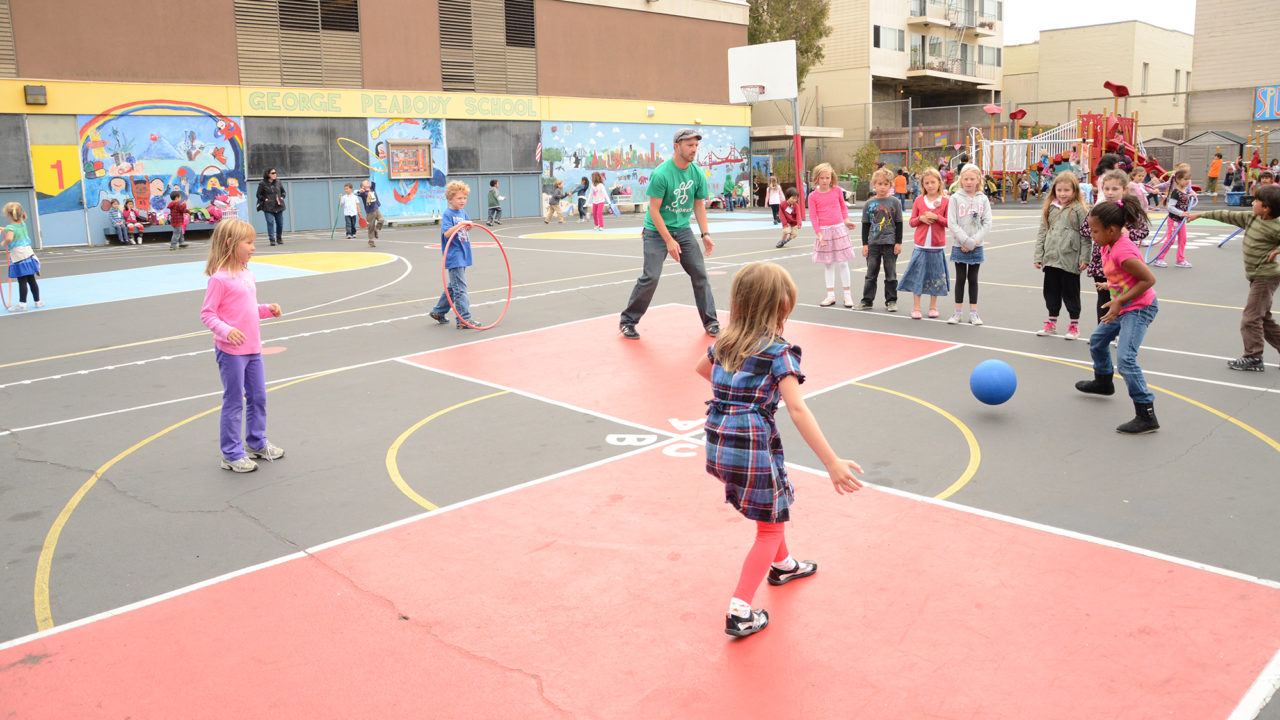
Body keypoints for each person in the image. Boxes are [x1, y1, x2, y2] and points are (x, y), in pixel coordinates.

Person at [696, 261, 863, 638]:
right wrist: (831, 462)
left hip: (719, 439)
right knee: (769, 528)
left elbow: (701, 370)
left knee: (774, 506)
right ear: (781, 306)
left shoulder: (725, 341)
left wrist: (733, 394)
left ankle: (784, 565)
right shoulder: (779, 352)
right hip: (752, 444)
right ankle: (739, 611)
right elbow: (799, 411)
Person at [199, 219, 285, 472]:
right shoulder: (219, 279)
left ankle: (256, 442)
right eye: (248, 243)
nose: (253, 247)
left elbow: (246, 310)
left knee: (258, 397)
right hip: (231, 352)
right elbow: (208, 314)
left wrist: (267, 310)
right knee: (234, 400)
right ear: (230, 244)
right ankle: (231, 454)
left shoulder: (248, 274)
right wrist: (226, 331)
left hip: (253, 349)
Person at [619, 128, 718, 339]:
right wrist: (669, 240)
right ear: (677, 146)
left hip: (682, 230)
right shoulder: (662, 174)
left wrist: (705, 234)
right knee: (651, 277)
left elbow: (698, 205)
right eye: (690, 145)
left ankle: (711, 322)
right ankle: (628, 321)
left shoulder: (697, 173)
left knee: (700, 274)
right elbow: (653, 211)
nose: (694, 150)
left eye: (696, 146)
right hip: (656, 232)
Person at [1074, 199, 1160, 434]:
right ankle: (1103, 382)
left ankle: (1146, 413)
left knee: (1125, 359)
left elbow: (1149, 280)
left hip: (1140, 307)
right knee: (1098, 341)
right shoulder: (1107, 244)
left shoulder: (1124, 250)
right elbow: (1122, 275)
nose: (1092, 235)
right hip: (1122, 305)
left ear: (1112, 230)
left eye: (1095, 231)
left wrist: (1120, 299)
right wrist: (1109, 285)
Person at [1186, 185, 1280, 371]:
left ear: (1266, 208)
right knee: (1264, 318)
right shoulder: (1251, 218)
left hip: (1265, 277)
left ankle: (1253, 357)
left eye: (1256, 201)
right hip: (1256, 276)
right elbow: (1226, 215)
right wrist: (1201, 215)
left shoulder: (1275, 227)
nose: (1252, 203)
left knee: (1251, 318)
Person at [1084, 169, 1150, 322]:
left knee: (1122, 296)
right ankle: (1103, 329)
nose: (1110, 192)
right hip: (1101, 261)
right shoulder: (1099, 209)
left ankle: (1120, 328)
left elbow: (1143, 231)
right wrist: (1098, 231)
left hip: (1121, 261)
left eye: (1115, 189)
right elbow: (1084, 228)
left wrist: (1126, 234)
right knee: (1103, 298)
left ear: (1125, 189)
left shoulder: (1128, 209)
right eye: (1106, 188)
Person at [1034, 172, 1090, 340]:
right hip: (1051, 259)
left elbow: (1086, 236)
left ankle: (1074, 325)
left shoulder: (1079, 209)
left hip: (1070, 259)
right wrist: (1039, 255)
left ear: (1074, 191)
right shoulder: (1050, 207)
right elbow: (1043, 231)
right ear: (1054, 190)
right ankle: (1051, 322)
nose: (1063, 193)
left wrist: (1084, 257)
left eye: (1067, 190)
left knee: (1071, 293)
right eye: (1059, 190)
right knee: (1051, 292)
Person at [805, 163, 857, 309]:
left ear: (831, 177)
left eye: (827, 177)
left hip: (839, 229)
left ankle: (847, 295)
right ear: (816, 179)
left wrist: (846, 221)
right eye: (822, 178)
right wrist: (819, 234)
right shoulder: (812, 196)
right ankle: (830, 296)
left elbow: (842, 207)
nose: (825, 180)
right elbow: (813, 217)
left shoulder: (837, 191)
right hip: (825, 231)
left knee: (843, 263)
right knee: (828, 264)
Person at [900, 168, 950, 320]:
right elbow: (911, 222)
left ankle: (933, 306)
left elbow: (949, 223)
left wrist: (936, 217)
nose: (930, 185)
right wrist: (921, 218)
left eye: (933, 182)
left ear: (939, 183)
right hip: (921, 246)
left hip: (937, 247)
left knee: (935, 276)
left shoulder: (946, 201)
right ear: (922, 184)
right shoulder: (919, 201)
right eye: (926, 183)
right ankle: (916, 307)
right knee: (918, 276)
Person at [947, 164, 992, 325]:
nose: (968, 182)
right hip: (960, 245)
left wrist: (974, 242)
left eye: (972, 179)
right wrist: (965, 241)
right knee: (960, 278)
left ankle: (974, 313)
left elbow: (987, 223)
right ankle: (957, 312)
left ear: (978, 180)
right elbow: (952, 223)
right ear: (961, 180)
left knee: (973, 278)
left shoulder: (983, 198)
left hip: (976, 246)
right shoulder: (955, 198)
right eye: (965, 179)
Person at [429, 181, 478, 330]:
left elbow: (464, 230)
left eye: (464, 198)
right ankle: (464, 319)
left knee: (453, 286)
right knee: (460, 288)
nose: (462, 201)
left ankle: (438, 311)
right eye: (459, 198)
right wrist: (460, 225)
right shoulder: (448, 214)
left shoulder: (463, 212)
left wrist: (467, 227)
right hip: (454, 255)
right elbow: (447, 233)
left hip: (463, 253)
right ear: (450, 199)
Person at [859, 167, 904, 311]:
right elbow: (865, 225)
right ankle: (867, 301)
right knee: (870, 274)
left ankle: (891, 300)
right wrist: (865, 244)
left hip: (890, 243)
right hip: (873, 244)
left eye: (885, 184)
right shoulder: (869, 204)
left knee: (891, 274)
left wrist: (898, 242)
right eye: (879, 184)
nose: (882, 187)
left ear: (890, 185)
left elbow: (899, 224)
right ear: (874, 185)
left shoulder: (895, 202)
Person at [2, 202, 41, 311]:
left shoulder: (11, 228)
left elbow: (9, 238)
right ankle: (37, 301)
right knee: (31, 279)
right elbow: (14, 228)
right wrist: (4, 229)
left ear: (8, 215)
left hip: (19, 256)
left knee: (22, 280)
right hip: (28, 253)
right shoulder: (22, 223)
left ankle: (22, 304)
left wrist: (3, 243)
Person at [1153, 168, 1196, 268]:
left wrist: (1191, 195)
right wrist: (1181, 213)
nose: (1188, 181)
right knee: (1170, 239)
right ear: (1178, 180)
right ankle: (1159, 258)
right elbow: (1170, 207)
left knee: (1183, 239)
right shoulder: (1176, 192)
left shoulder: (1184, 190)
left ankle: (1180, 260)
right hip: (1174, 220)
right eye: (1185, 179)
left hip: (1181, 221)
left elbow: (1184, 201)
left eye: (1189, 179)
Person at [256, 168, 286, 246]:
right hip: (268, 207)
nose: (275, 174)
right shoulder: (262, 183)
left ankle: (279, 238)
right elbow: (258, 195)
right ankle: (272, 239)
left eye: (275, 173)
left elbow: (283, 192)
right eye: (273, 173)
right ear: (268, 174)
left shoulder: (278, 182)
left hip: (278, 206)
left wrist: (282, 197)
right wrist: (265, 199)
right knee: (270, 222)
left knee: (280, 223)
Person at [357, 180, 382, 247]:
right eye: (365, 182)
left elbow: (374, 179)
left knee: (381, 220)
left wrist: (374, 169)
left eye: (368, 181)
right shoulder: (363, 193)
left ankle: (376, 229)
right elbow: (356, 193)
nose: (368, 182)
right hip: (370, 212)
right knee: (371, 226)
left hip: (376, 209)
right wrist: (359, 191)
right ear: (363, 186)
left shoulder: (372, 189)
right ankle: (371, 241)